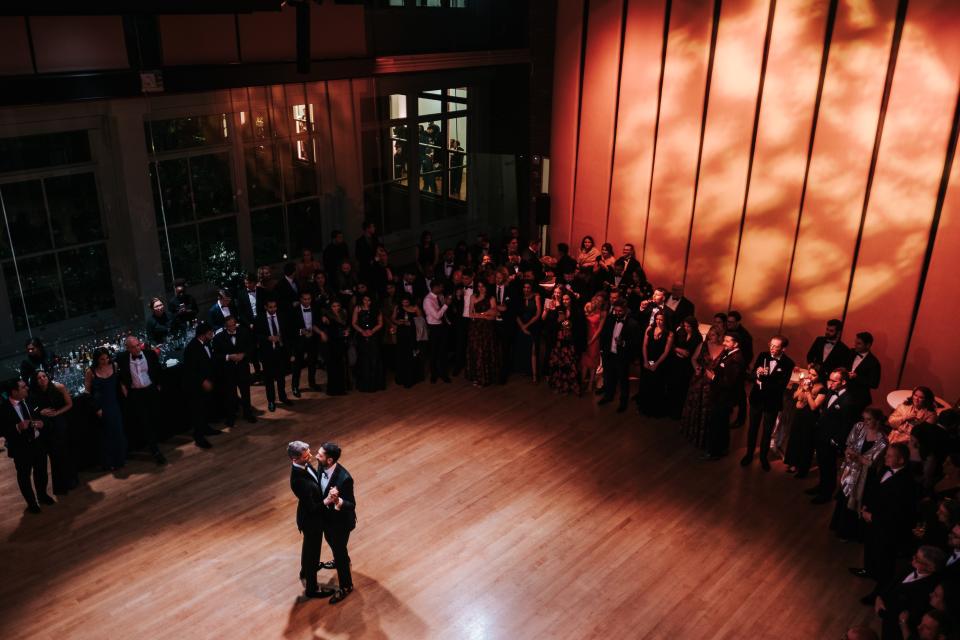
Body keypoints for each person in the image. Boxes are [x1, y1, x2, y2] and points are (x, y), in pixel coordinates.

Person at [854, 443, 917, 598]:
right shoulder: (885, 469)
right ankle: (869, 570)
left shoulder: (906, 482)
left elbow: (898, 512)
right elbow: (874, 489)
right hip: (873, 520)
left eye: (889, 456)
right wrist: (866, 507)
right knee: (870, 548)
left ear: (901, 460)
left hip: (887, 528)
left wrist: (873, 517)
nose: (885, 457)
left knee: (884, 558)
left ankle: (879, 592)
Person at [831, 408, 887, 541]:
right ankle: (837, 526)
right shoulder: (858, 426)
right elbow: (849, 444)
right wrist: (848, 453)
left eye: (869, 419)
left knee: (855, 502)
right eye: (864, 418)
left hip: (866, 476)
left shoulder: (883, 440)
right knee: (844, 498)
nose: (865, 422)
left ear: (878, 421)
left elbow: (872, 462)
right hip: (851, 469)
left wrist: (857, 457)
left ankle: (847, 533)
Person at [287, 440, 334, 599]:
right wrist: (327, 501)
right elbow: (313, 507)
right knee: (313, 552)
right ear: (295, 459)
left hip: (309, 517)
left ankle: (305, 571)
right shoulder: (298, 480)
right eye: (306, 456)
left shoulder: (304, 466)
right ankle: (312, 589)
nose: (311, 456)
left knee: (308, 548)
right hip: (311, 520)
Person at [741, 335, 795, 470]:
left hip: (772, 401)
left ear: (784, 349)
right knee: (753, 428)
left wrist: (763, 381)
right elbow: (752, 375)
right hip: (757, 399)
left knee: (767, 430)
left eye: (776, 346)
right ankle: (749, 454)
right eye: (771, 345)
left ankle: (763, 457)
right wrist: (757, 374)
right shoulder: (763, 355)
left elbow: (781, 385)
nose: (772, 348)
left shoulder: (788, 363)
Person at [809, 367, 860, 503]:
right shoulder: (832, 392)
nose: (829, 383)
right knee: (822, 464)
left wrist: (835, 441)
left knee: (829, 467)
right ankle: (821, 486)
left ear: (843, 382)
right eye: (829, 379)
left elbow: (847, 425)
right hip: (821, 434)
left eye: (833, 380)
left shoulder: (848, 401)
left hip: (830, 440)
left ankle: (826, 494)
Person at [1, 378, 52, 513]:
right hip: (21, 448)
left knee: (41, 472)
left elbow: (41, 413)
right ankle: (32, 503)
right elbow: (2, 430)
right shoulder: (3, 408)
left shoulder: (30, 399)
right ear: (14, 392)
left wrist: (42, 422)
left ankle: (42, 495)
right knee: (24, 476)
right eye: (23, 387)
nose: (27, 388)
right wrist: (17, 427)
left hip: (38, 442)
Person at [116, 335, 168, 464]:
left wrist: (159, 385)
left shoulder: (150, 354)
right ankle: (155, 450)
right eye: (133, 347)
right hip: (136, 394)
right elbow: (120, 374)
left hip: (150, 390)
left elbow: (158, 370)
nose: (137, 349)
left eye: (138, 345)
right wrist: (123, 385)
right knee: (145, 422)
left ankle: (155, 441)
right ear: (127, 348)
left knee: (155, 417)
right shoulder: (122, 358)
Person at [316, 442, 356, 604]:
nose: (317, 456)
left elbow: (351, 505)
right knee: (332, 544)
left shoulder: (345, 479)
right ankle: (343, 559)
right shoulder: (321, 466)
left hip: (341, 523)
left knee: (338, 551)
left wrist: (338, 500)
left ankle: (346, 586)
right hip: (327, 520)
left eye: (320, 454)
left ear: (330, 460)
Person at [30, 370, 77, 494]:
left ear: (48, 376)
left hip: (60, 422)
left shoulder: (59, 387)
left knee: (64, 452)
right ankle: (60, 486)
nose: (42, 379)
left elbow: (69, 404)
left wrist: (57, 413)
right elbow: (32, 410)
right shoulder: (34, 393)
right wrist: (40, 412)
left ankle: (71, 481)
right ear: (36, 381)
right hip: (46, 427)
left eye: (44, 376)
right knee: (54, 456)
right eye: (39, 378)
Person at [702, 332, 746, 460]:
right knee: (721, 424)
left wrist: (713, 377)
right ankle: (721, 449)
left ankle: (714, 452)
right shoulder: (730, 354)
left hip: (724, 398)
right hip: (721, 396)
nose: (723, 343)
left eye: (727, 341)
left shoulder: (736, 359)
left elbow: (730, 382)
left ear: (735, 343)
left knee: (717, 425)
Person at [681, 325, 723, 448]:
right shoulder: (703, 345)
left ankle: (706, 436)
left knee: (708, 409)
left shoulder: (724, 349)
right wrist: (697, 368)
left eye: (714, 334)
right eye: (710, 334)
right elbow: (693, 359)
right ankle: (693, 433)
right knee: (695, 406)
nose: (710, 337)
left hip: (714, 384)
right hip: (699, 381)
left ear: (719, 336)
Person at [85, 348, 127, 468]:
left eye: (107, 358)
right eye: (102, 359)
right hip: (101, 406)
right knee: (107, 435)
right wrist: (96, 408)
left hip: (114, 403)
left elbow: (120, 379)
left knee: (118, 432)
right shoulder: (90, 371)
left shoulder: (114, 365)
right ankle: (110, 462)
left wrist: (123, 386)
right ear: (96, 360)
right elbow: (87, 392)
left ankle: (120, 459)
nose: (105, 361)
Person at [211, 316, 257, 426]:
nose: (231, 328)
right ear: (225, 326)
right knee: (230, 395)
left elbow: (251, 347)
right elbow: (216, 356)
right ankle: (231, 417)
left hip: (242, 368)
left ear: (236, 324)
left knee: (245, 392)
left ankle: (248, 414)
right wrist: (228, 357)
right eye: (229, 326)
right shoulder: (218, 338)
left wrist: (244, 354)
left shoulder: (244, 332)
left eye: (233, 325)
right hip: (228, 370)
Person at [598, 300, 642, 412]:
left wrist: (623, 343)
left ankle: (623, 403)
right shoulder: (610, 319)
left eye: (620, 311)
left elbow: (636, 343)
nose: (617, 313)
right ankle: (608, 396)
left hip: (622, 357)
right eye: (616, 310)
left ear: (626, 310)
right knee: (608, 378)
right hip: (609, 354)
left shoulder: (633, 324)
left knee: (623, 381)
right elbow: (604, 335)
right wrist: (603, 350)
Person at [783, 363, 825, 477]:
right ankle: (793, 463)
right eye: (809, 373)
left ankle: (803, 469)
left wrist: (808, 392)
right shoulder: (806, 382)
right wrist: (802, 387)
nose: (810, 376)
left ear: (820, 376)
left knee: (806, 442)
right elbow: (795, 397)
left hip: (810, 417)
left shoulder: (822, 388)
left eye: (814, 375)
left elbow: (814, 407)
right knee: (795, 438)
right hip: (799, 414)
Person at [182, 323, 219, 449]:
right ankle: (199, 438)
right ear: (203, 335)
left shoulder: (207, 343)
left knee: (205, 408)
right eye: (210, 333)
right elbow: (190, 370)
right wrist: (203, 381)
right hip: (196, 387)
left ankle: (206, 428)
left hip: (206, 383)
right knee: (198, 411)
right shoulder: (191, 348)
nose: (212, 334)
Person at [255, 299, 294, 412]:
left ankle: (283, 397)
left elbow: (287, 333)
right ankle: (271, 401)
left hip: (280, 351)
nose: (273, 309)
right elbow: (256, 336)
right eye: (270, 307)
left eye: (275, 307)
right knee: (269, 379)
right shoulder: (259, 318)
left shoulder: (282, 316)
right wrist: (268, 338)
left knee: (281, 376)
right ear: (265, 307)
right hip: (267, 353)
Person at [637, 312, 674, 417]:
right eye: (657, 319)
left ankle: (654, 410)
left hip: (660, 362)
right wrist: (645, 361)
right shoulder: (649, 329)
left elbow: (666, 352)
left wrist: (656, 364)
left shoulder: (669, 334)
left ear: (665, 321)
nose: (659, 321)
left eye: (661, 319)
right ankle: (644, 408)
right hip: (648, 359)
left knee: (657, 386)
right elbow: (644, 346)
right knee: (646, 385)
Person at [665, 316, 702, 420]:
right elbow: (671, 345)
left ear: (694, 326)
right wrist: (678, 350)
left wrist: (685, 353)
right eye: (685, 326)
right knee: (672, 386)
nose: (686, 328)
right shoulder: (680, 331)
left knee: (682, 388)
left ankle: (678, 412)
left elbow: (694, 353)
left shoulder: (697, 337)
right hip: (675, 363)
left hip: (687, 366)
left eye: (689, 326)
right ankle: (669, 409)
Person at [466, 280, 501, 387]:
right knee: (476, 352)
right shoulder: (473, 297)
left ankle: (485, 378)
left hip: (487, 329)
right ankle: (477, 377)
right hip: (475, 328)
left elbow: (493, 316)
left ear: (486, 287)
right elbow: (470, 314)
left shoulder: (491, 298)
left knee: (485, 352)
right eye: (479, 286)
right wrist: (484, 314)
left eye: (483, 286)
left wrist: (479, 314)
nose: (481, 288)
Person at [290, 291, 323, 396]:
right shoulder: (294, 310)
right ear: (300, 299)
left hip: (312, 339)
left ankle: (312, 383)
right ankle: (295, 386)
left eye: (309, 299)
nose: (307, 301)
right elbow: (289, 328)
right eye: (304, 299)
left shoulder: (315, 308)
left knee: (312, 363)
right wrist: (301, 331)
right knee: (297, 365)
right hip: (299, 341)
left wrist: (315, 332)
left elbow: (317, 323)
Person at [352, 293, 385, 392]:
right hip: (362, 336)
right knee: (364, 359)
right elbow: (354, 323)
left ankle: (376, 384)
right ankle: (365, 384)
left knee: (375, 358)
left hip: (374, 336)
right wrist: (362, 331)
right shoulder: (357, 308)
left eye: (369, 300)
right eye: (365, 300)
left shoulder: (376, 309)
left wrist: (372, 331)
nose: (367, 302)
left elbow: (380, 323)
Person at [514, 281, 542, 381]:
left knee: (533, 350)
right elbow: (516, 315)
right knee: (524, 348)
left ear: (531, 288)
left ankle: (535, 375)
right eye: (524, 287)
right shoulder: (519, 298)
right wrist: (522, 327)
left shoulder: (536, 296)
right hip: (522, 326)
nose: (526, 289)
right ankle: (526, 370)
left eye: (528, 288)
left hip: (533, 326)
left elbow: (538, 313)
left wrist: (527, 325)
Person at [320, 300, 350, 396]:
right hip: (332, 344)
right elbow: (325, 328)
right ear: (330, 307)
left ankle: (341, 389)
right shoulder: (327, 316)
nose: (336, 308)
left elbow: (347, 326)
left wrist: (347, 331)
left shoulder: (343, 314)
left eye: (338, 305)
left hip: (341, 343)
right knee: (332, 367)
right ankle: (332, 390)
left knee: (341, 366)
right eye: (334, 306)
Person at [393, 293, 423, 389]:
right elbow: (393, 318)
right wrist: (398, 322)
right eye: (403, 301)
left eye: (406, 301)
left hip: (412, 335)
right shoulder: (398, 307)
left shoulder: (415, 308)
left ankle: (411, 378)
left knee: (412, 355)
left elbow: (421, 321)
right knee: (402, 355)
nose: (404, 303)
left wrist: (410, 323)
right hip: (401, 334)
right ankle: (402, 378)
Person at [424, 280, 451, 383]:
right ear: (434, 288)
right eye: (440, 287)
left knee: (443, 352)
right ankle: (434, 375)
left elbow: (443, 315)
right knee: (434, 352)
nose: (442, 289)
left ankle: (444, 374)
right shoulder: (428, 300)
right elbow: (437, 316)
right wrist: (446, 305)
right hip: (433, 328)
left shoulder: (440, 296)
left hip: (442, 327)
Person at [547, 308, 580, 395]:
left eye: (562, 314)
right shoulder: (556, 322)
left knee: (567, 368)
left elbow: (569, 336)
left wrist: (565, 326)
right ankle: (558, 386)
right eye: (559, 314)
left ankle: (567, 387)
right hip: (557, 348)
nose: (561, 315)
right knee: (557, 367)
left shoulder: (568, 322)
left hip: (566, 349)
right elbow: (551, 332)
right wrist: (557, 322)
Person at [848, 331, 881, 412]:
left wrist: (856, 377)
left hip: (859, 398)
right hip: (845, 393)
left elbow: (874, 384)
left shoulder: (874, 362)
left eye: (859, 343)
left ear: (868, 345)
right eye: (855, 342)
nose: (855, 345)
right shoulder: (851, 352)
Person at [580, 296, 606, 393]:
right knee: (584, 361)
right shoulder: (588, 307)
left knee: (593, 362)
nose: (597, 302)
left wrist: (591, 341)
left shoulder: (602, 313)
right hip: (585, 337)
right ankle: (582, 382)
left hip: (594, 339)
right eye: (596, 300)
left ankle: (590, 383)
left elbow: (599, 329)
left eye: (600, 301)